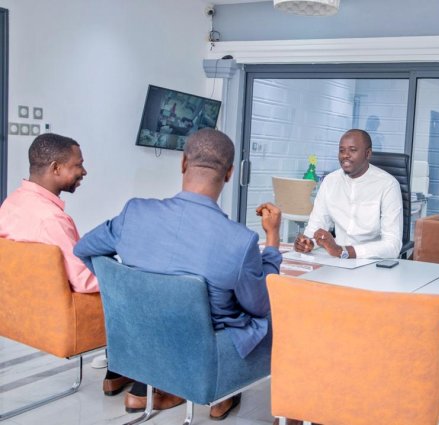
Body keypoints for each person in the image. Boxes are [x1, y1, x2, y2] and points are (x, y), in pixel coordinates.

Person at [74, 128, 282, 419]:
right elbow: (260, 306)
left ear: (183, 163)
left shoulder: (134, 213)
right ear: (229, 173)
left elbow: (84, 248)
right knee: (281, 317)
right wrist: (272, 241)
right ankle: (226, 396)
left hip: (140, 339)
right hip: (206, 354)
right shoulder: (240, 240)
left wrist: (119, 290)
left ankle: (173, 388)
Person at [0, 133, 132, 396]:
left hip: (26, 313)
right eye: (77, 165)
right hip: (68, 318)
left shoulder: (11, 202)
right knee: (138, 293)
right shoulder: (51, 220)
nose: (84, 171)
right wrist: (125, 275)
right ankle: (131, 374)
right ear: (56, 168)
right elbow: (83, 281)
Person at [294, 129, 402, 259]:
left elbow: (392, 245)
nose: (345, 155)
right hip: (336, 259)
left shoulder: (388, 185)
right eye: (342, 150)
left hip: (372, 262)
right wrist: (308, 243)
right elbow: (315, 227)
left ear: (367, 154)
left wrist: (343, 251)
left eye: (352, 150)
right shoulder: (330, 181)